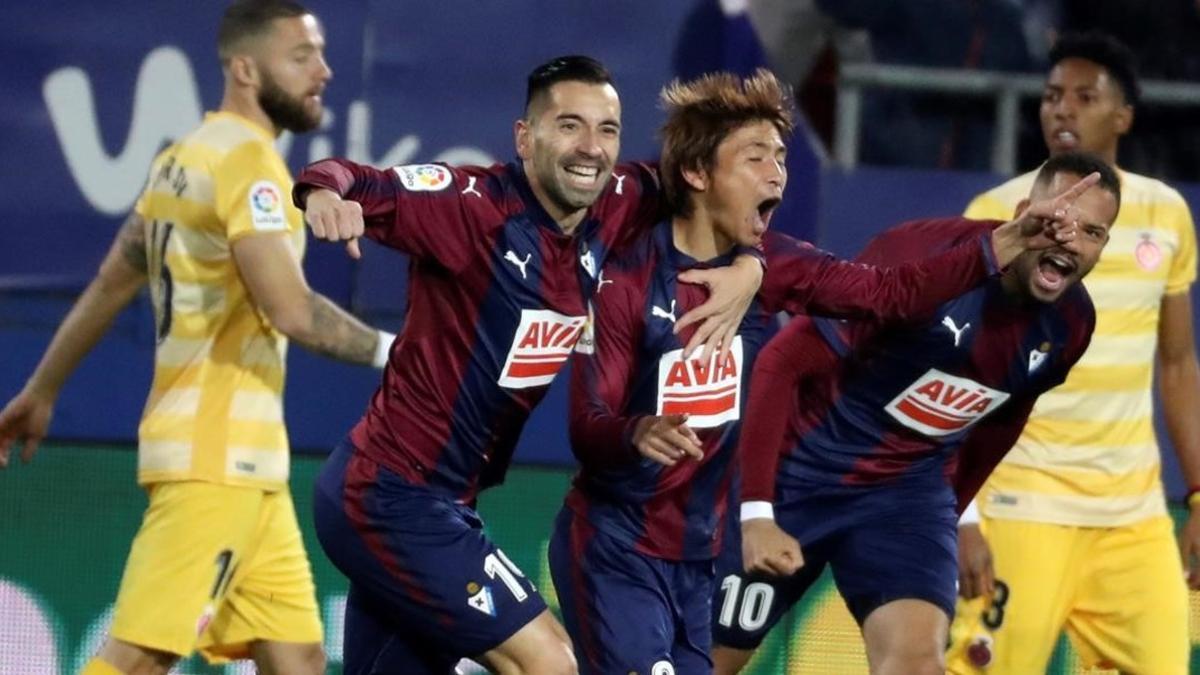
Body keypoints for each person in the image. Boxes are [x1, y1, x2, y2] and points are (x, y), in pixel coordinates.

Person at [552, 69, 1100, 675]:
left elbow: (894, 299)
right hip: (710, 506)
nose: (776, 173)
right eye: (756, 157)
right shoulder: (627, 252)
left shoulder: (780, 262)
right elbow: (592, 420)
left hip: (853, 508)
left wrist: (955, 514)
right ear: (698, 173)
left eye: (780, 157)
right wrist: (746, 505)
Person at [298, 56, 765, 675]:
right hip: (388, 495)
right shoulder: (470, 208)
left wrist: (753, 267)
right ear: (526, 137)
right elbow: (348, 177)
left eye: (607, 130)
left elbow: (714, 202)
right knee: (548, 662)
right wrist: (324, 194)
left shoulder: (619, 201)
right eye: (569, 125)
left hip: (446, 500)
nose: (590, 148)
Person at [0, 2, 396, 674]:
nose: (323, 70)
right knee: (139, 658)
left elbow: (106, 286)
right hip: (219, 460)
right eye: (300, 56)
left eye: (322, 53)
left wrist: (42, 389)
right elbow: (293, 311)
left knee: (297, 657)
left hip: (245, 470)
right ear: (245, 69)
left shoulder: (183, 160)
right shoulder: (250, 166)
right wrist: (402, 353)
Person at [710, 151, 1121, 675]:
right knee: (709, 664)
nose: (1070, 241)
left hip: (904, 500)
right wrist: (758, 514)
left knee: (918, 667)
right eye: (1060, 219)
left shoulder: (1070, 325)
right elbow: (781, 362)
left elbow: (1001, 420)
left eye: (1092, 232)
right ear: (1024, 210)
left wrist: (952, 518)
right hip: (799, 475)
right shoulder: (923, 256)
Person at [946, 32, 1200, 674]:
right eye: (1053, 96)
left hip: (1134, 521)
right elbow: (953, 373)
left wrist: (1199, 494)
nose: (1062, 110)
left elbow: (1177, 365)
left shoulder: (1166, 215)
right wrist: (964, 514)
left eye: (1085, 98)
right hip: (1021, 511)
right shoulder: (995, 213)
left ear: (1123, 117)